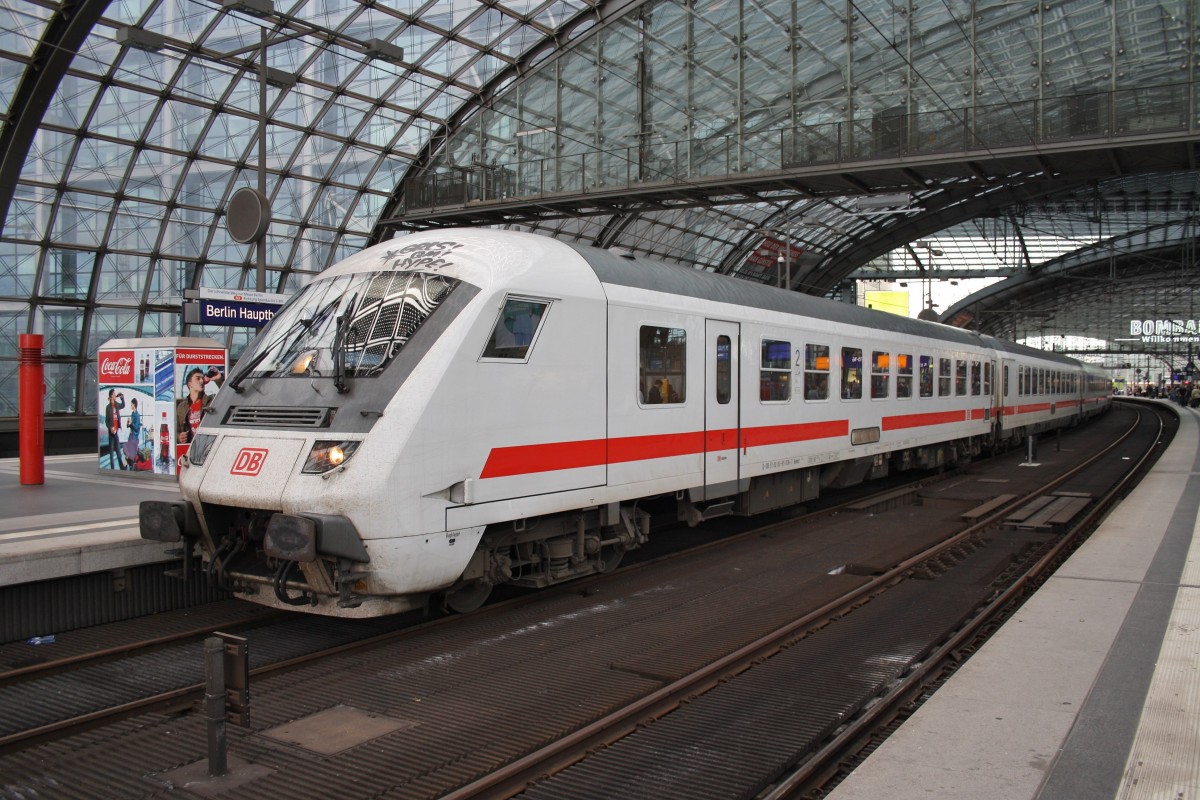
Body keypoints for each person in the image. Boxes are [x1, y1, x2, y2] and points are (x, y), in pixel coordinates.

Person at [175, 367, 209, 444]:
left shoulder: (211, 401)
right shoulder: (181, 407)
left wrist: (218, 379)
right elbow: (175, 430)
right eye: (198, 378)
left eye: (202, 378)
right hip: (189, 447)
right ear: (190, 384)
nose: (201, 381)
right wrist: (179, 437)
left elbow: (227, 395)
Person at [103, 389, 126, 469]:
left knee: (119, 453)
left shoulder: (116, 405)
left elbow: (123, 406)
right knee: (111, 455)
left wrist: (122, 398)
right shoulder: (108, 407)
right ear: (111, 396)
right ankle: (113, 470)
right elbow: (106, 421)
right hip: (111, 433)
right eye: (114, 394)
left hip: (116, 433)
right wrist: (110, 428)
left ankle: (122, 469)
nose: (115, 395)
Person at [124, 397, 143, 468]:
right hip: (131, 435)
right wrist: (128, 423)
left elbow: (137, 427)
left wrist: (131, 423)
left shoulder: (137, 415)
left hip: (134, 437)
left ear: (134, 405)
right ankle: (127, 465)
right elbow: (131, 426)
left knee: (130, 453)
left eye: (131, 404)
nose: (131, 406)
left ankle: (129, 465)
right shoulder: (132, 413)